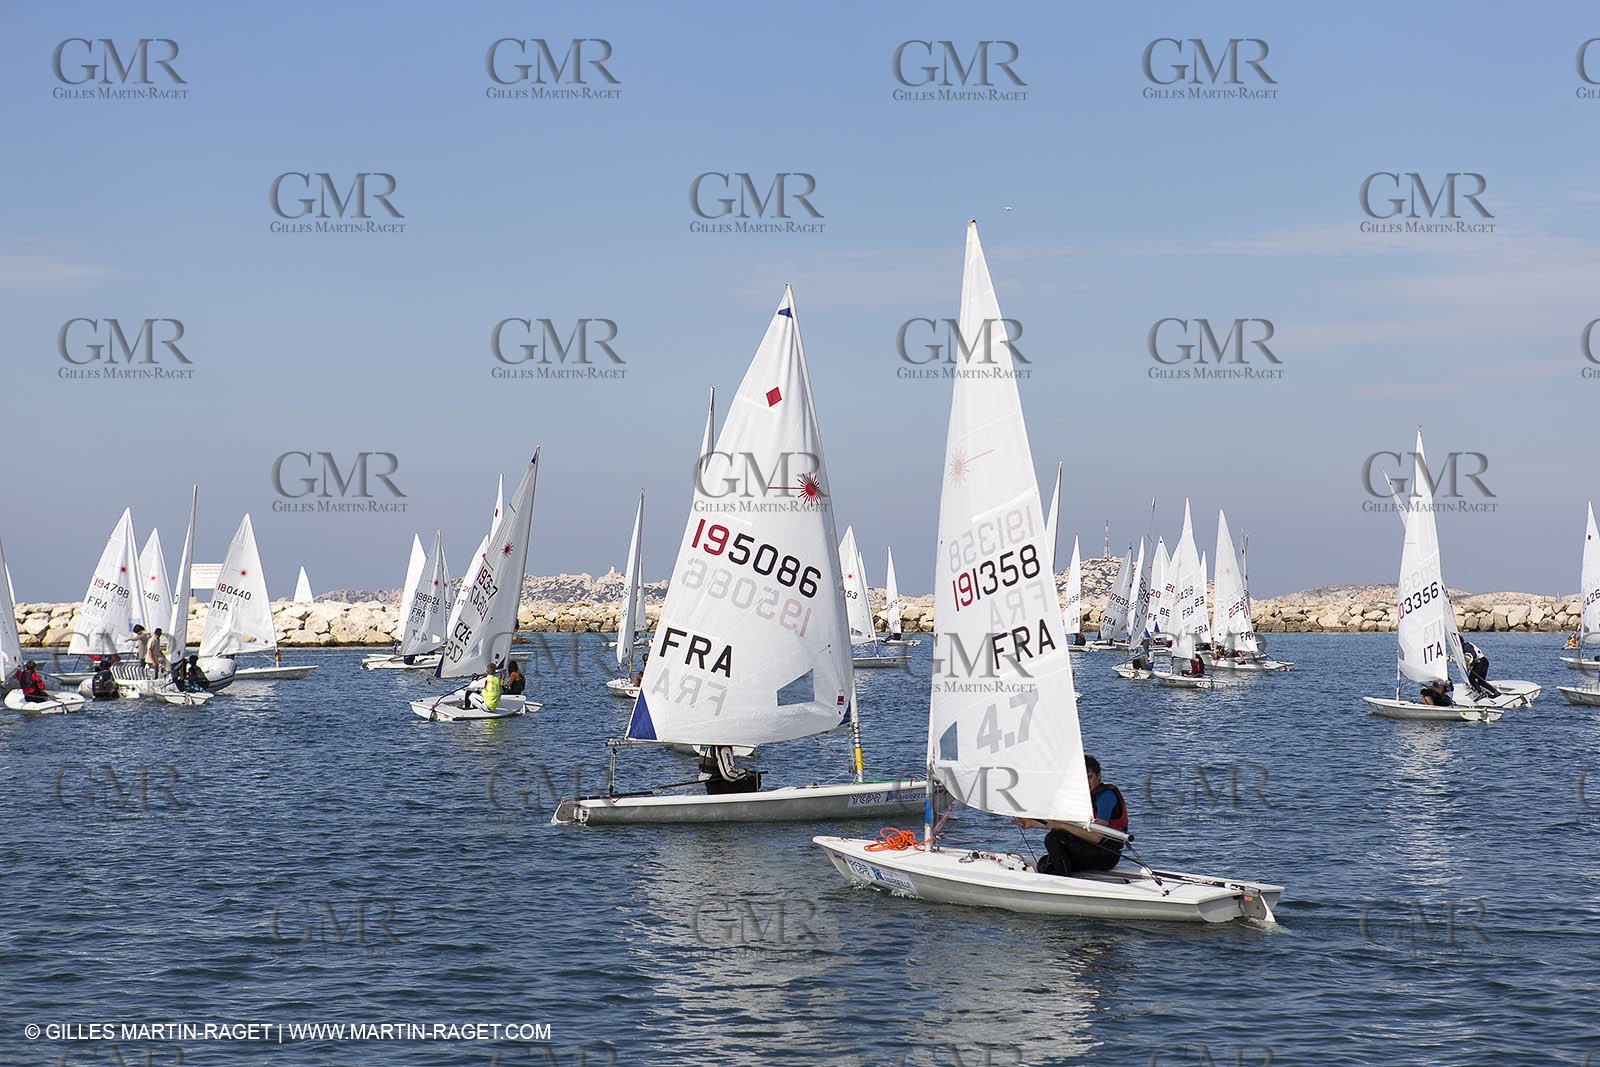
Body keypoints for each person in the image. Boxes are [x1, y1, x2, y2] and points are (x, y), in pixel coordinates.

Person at [1018, 755, 1127, 877]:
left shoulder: (1106, 796)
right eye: (1082, 779)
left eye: (1089, 777)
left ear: (1099, 775)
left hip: (1106, 855)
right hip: (1089, 849)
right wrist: (1031, 823)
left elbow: (1096, 837)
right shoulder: (1085, 798)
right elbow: (1067, 825)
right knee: (1045, 864)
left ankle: (1064, 881)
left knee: (1054, 837)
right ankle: (1063, 878)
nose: (1086, 783)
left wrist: (1061, 825)